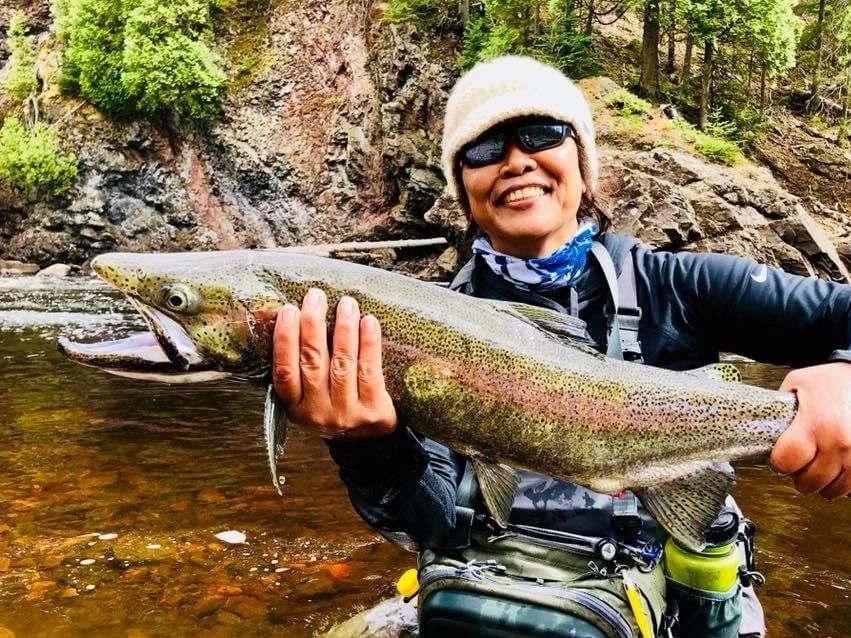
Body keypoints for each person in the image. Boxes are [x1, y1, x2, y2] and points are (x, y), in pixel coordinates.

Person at [271, 55, 851, 637]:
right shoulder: (417, 331)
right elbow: (430, 524)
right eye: (483, 148)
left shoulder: (681, 286)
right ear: (462, 185)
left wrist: (844, 373)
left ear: (582, 161)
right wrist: (371, 446)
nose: (516, 160)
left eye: (542, 134)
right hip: (490, 599)